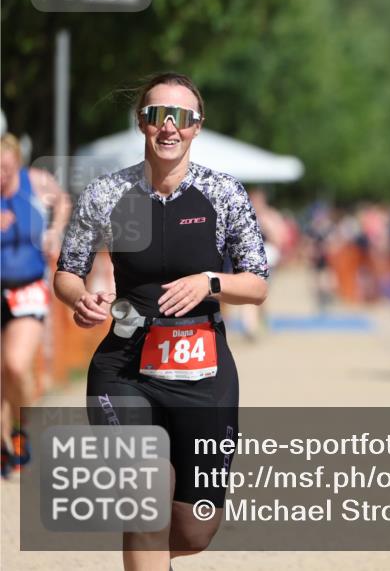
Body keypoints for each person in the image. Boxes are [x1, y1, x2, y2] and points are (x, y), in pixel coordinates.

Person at [53, 73, 269, 570]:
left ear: (198, 126)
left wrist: (210, 282)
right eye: (157, 115)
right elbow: (67, 272)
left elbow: (257, 284)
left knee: (195, 530)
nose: (169, 127)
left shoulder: (224, 193)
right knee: (145, 506)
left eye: (181, 117)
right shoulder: (108, 193)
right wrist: (82, 299)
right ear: (141, 123)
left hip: (204, 373)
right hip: (125, 368)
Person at [0, 132, 70, 477]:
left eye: (5, 168)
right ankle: (4, 447)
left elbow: (63, 201)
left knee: (15, 365)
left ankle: (21, 427)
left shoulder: (35, 182)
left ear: (17, 161)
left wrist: (54, 231)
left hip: (27, 287)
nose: (1, 175)